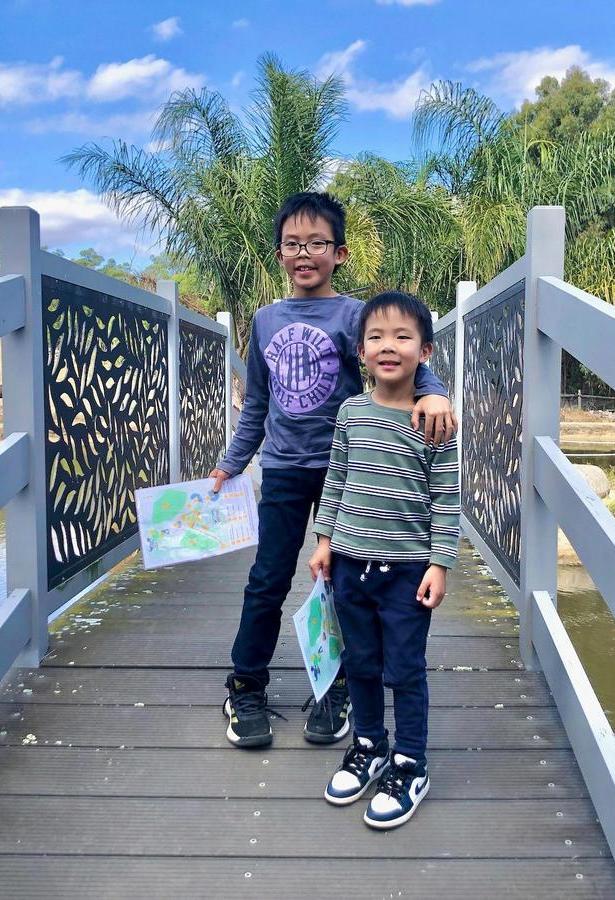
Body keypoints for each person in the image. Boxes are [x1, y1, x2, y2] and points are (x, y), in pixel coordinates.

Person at [209, 192, 456, 749]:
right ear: (279, 254)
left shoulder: (354, 316)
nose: (305, 253)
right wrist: (231, 463)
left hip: (352, 471)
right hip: (283, 469)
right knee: (267, 580)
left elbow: (401, 362)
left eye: (317, 244)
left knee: (344, 587)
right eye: (293, 244)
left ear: (339, 253)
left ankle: (341, 685)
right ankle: (245, 684)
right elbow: (257, 403)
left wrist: (437, 395)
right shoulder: (266, 319)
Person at [307, 290, 460, 830]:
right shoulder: (350, 410)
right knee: (361, 662)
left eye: (402, 337)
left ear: (427, 352)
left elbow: (446, 495)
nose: (388, 347)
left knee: (404, 668)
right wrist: (324, 538)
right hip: (350, 563)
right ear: (360, 351)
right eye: (375, 337)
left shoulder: (434, 420)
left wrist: (440, 563)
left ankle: (410, 762)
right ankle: (369, 744)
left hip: (406, 572)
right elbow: (337, 478)